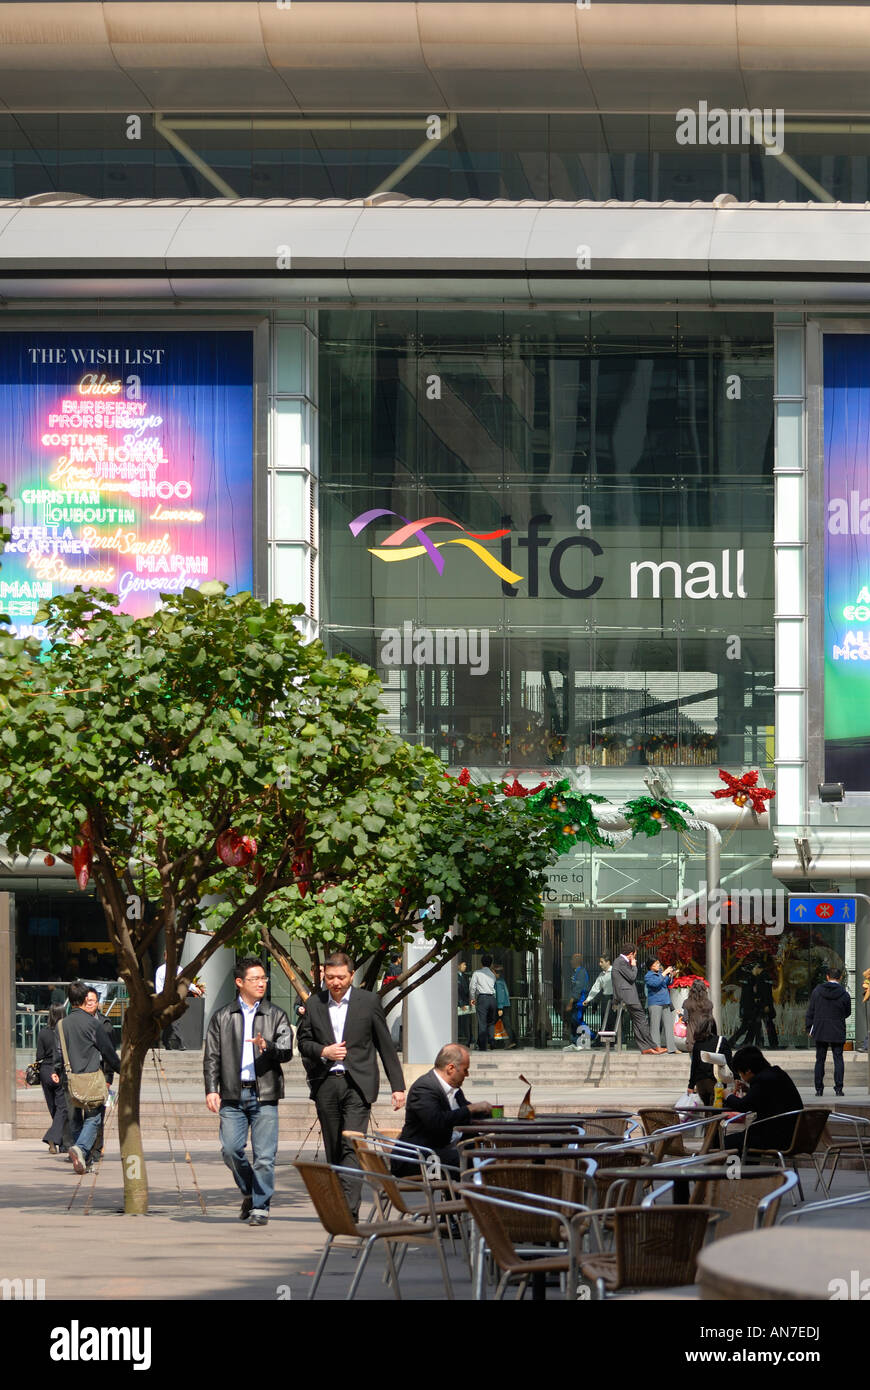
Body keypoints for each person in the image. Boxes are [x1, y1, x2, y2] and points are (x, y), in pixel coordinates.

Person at [296, 951, 405, 1217]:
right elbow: (304, 1042)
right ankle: (341, 1202)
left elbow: (384, 1045)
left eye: (341, 977)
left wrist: (398, 1086)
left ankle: (349, 1210)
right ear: (324, 975)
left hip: (358, 1084)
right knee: (334, 1147)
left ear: (351, 975)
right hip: (326, 1084)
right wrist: (325, 1051)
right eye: (330, 977)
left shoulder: (368, 1003)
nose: (335, 982)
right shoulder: (314, 1004)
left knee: (351, 1145)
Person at [204, 957, 294, 1226]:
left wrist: (268, 1047)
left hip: (264, 1094)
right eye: (255, 979)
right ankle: (251, 1191)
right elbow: (212, 1057)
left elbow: (287, 1052)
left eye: (264, 978)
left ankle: (260, 1207)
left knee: (265, 1157)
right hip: (232, 1094)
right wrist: (211, 1089)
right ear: (239, 982)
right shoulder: (222, 1016)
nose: (261, 983)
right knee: (230, 1150)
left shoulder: (276, 1015)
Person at [52, 979, 121, 1176]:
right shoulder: (93, 1023)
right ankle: (81, 1150)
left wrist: (57, 1071)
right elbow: (108, 1052)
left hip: (69, 1079)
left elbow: (58, 1052)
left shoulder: (61, 1024)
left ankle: (84, 1160)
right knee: (94, 1118)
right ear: (83, 999)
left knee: (75, 1120)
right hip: (90, 1078)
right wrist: (122, 1070)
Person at [391, 1044, 492, 1176]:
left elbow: (465, 1115)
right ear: (451, 1068)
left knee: (484, 1154)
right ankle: (464, 1196)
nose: (467, 1075)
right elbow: (437, 1121)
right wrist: (471, 1108)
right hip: (415, 1158)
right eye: (465, 1070)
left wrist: (487, 1115)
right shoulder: (424, 1088)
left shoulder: (454, 1089)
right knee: (466, 1160)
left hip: (439, 1152)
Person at [722, 1045, 803, 1153]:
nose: (741, 1077)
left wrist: (727, 1095)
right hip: (792, 1135)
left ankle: (733, 1170)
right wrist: (748, 1089)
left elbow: (743, 1106)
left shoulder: (761, 1080)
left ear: (748, 1071)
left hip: (774, 1137)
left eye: (740, 1073)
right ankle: (749, 1169)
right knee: (743, 1140)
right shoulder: (777, 1073)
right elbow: (765, 1098)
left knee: (725, 1143)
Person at [806, 966, 851, 1097]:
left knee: (820, 1059)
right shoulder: (844, 994)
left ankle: (819, 1089)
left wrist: (809, 1027)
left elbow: (811, 1011)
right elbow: (847, 1012)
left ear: (827, 977)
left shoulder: (817, 991)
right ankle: (838, 1089)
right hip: (837, 1029)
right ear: (840, 978)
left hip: (820, 1028)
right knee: (838, 1059)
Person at [611, 943, 664, 1054]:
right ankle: (654, 1046)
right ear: (631, 954)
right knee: (642, 1021)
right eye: (635, 955)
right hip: (628, 996)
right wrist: (634, 965)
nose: (635, 957)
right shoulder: (621, 962)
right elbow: (632, 977)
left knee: (637, 1022)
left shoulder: (619, 962)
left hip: (626, 996)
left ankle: (645, 1048)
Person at [155, 953, 204, 1051]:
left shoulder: (179, 969)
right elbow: (158, 985)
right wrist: (162, 998)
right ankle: (181, 1042)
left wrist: (195, 988)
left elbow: (185, 981)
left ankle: (165, 1041)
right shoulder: (160, 970)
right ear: (165, 957)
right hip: (166, 998)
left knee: (171, 1020)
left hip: (176, 997)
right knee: (174, 1021)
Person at [37, 1003, 68, 1153]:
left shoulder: (43, 1032)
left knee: (54, 1108)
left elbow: (39, 1056)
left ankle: (59, 1141)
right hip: (60, 1070)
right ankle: (53, 1137)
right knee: (63, 1108)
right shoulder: (64, 1032)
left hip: (45, 1071)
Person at [687, 1017, 733, 1105]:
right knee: (717, 1109)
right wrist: (736, 1078)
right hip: (716, 1082)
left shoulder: (698, 1044)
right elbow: (729, 1062)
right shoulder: (721, 1041)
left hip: (700, 1083)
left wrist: (691, 1086)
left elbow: (694, 1065)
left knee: (705, 1109)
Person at [644, 957, 676, 1053]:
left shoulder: (660, 973)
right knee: (655, 1026)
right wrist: (664, 973)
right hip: (655, 1003)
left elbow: (666, 983)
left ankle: (672, 1048)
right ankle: (656, 1047)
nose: (659, 965)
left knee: (669, 1025)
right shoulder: (648, 976)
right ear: (651, 966)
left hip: (665, 1001)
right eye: (656, 963)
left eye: (658, 963)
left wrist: (671, 976)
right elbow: (656, 983)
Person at [469, 954, 498, 1051]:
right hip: (492, 999)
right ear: (490, 964)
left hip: (483, 998)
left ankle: (482, 1045)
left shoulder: (477, 973)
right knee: (491, 1023)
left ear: (481, 963)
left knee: (482, 1022)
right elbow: (494, 988)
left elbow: (472, 987)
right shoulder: (492, 974)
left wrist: (472, 998)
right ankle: (492, 1042)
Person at [586, 956, 614, 1043]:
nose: (600, 964)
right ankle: (604, 1041)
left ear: (608, 962)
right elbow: (596, 987)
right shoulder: (602, 974)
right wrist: (588, 999)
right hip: (606, 999)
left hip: (615, 999)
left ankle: (615, 1041)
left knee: (613, 1021)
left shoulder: (615, 972)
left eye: (602, 962)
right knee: (604, 1021)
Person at [681, 979, 714, 1049]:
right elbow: (711, 1021)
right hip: (705, 1039)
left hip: (691, 1039)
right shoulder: (709, 1004)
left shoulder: (687, 1003)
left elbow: (685, 1019)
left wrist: (680, 1015)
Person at [493, 963, 516, 1047]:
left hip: (501, 1006)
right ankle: (512, 1041)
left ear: (495, 972)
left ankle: (510, 1041)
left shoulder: (498, 982)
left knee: (492, 1023)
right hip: (505, 1005)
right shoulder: (502, 980)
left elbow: (500, 995)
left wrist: (500, 1008)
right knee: (506, 1024)